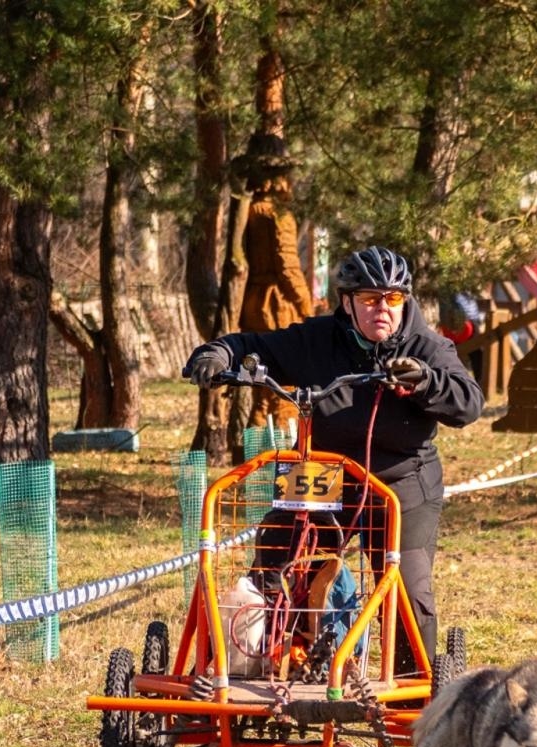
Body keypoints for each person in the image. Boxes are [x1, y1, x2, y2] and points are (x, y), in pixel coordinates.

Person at [184, 245, 485, 673]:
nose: (384, 308)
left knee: (407, 592)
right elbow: (254, 346)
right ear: (347, 302)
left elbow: (470, 403)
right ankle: (257, 660)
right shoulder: (318, 341)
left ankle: (413, 691)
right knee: (277, 549)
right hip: (325, 472)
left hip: (402, 479)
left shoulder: (427, 345)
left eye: (394, 299)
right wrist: (219, 355)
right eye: (370, 299)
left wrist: (425, 382)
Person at [237, 140, 317, 437]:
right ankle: (281, 453)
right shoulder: (277, 214)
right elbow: (288, 266)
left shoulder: (247, 210)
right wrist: (306, 307)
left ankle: (251, 448)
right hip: (277, 307)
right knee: (284, 386)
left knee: (260, 386)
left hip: (252, 305)